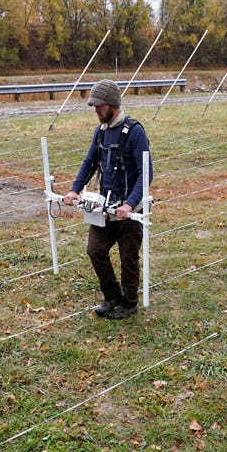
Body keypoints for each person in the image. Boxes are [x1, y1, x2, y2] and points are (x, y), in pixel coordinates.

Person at [62, 78, 152, 320]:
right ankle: (111, 296)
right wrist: (74, 190)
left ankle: (129, 302)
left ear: (112, 104)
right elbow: (89, 162)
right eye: (94, 106)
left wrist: (130, 204)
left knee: (128, 257)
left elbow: (146, 173)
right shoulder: (100, 132)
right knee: (95, 250)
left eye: (99, 106)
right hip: (105, 207)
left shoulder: (135, 132)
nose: (96, 111)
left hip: (130, 210)